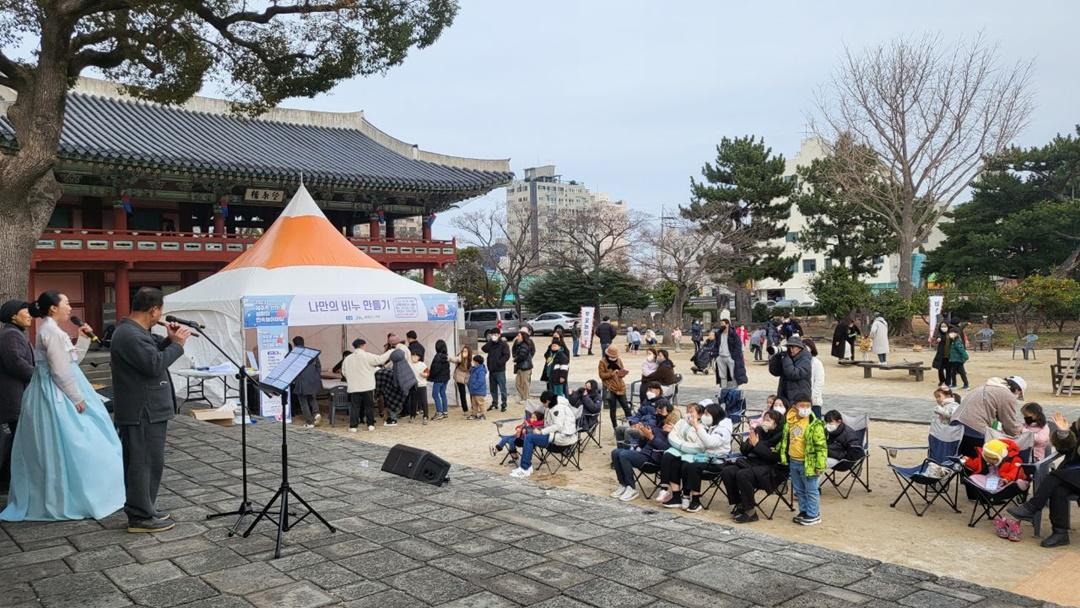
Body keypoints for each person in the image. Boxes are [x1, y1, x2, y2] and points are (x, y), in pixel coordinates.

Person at [0, 291, 125, 523]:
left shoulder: (50, 330)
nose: (70, 307)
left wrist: (84, 338)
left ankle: (63, 494)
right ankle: (80, 495)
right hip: (56, 392)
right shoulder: (52, 332)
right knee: (83, 440)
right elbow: (60, 371)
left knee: (59, 445)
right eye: (66, 303)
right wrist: (76, 398)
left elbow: (69, 361)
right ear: (53, 308)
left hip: (51, 389)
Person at [110, 287, 190, 531]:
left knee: (149, 461)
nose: (160, 316)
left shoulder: (134, 332)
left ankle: (146, 508)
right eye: (160, 311)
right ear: (154, 310)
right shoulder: (130, 334)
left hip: (146, 407)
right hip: (142, 409)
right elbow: (154, 364)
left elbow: (150, 356)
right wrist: (177, 345)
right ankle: (140, 515)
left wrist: (167, 340)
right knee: (142, 463)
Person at [1007, 411, 1080, 548]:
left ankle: (1032, 507)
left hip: (1072, 475)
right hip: (1072, 474)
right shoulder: (1078, 426)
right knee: (1059, 490)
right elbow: (1066, 450)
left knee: (1054, 476)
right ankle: (1060, 533)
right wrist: (1064, 434)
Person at [722, 409, 787, 523]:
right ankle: (740, 504)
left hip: (771, 469)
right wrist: (750, 444)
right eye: (764, 419)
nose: (765, 422)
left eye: (768, 420)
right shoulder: (759, 431)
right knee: (728, 471)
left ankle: (750, 512)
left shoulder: (782, 437)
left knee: (743, 475)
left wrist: (757, 445)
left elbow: (774, 458)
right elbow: (744, 451)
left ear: (776, 423)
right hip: (753, 464)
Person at [671, 400, 733, 512]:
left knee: (693, 466)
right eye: (704, 414)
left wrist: (697, 427)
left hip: (717, 461)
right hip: (705, 457)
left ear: (715, 415)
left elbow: (711, 443)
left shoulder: (723, 429)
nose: (704, 417)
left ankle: (696, 500)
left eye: (707, 414)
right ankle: (685, 496)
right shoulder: (711, 425)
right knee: (684, 462)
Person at [609, 398, 673, 502]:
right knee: (615, 452)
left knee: (624, 455)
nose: (658, 412)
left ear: (668, 412)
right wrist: (643, 435)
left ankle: (631, 488)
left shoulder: (670, 428)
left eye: (661, 410)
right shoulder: (655, 424)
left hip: (654, 458)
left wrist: (651, 437)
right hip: (644, 453)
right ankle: (623, 484)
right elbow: (642, 444)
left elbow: (666, 448)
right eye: (657, 410)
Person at [0, 299, 34, 493]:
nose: (29, 315)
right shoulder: (10, 335)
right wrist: (39, 376)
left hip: (17, 394)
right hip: (14, 396)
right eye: (25, 312)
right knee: (16, 439)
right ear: (13, 316)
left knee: (16, 438)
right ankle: (8, 480)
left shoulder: (14, 333)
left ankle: (8, 479)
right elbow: (16, 363)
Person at [952, 376, 1025, 459]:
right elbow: (1009, 422)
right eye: (1019, 395)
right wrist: (1021, 433)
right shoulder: (1007, 395)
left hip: (955, 424)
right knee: (979, 459)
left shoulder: (987, 386)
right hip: (975, 428)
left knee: (962, 458)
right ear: (1017, 390)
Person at [780, 398, 827, 526]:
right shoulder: (790, 421)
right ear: (795, 406)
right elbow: (786, 439)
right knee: (799, 490)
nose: (805, 408)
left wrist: (820, 465)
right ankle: (804, 511)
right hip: (793, 460)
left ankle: (813, 514)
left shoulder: (815, 424)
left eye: (808, 406)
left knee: (811, 489)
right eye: (802, 405)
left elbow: (821, 447)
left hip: (808, 462)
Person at [510, 391, 578, 478]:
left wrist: (542, 431)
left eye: (544, 403)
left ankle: (525, 468)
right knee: (530, 436)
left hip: (562, 439)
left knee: (530, 438)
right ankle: (526, 466)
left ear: (548, 401)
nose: (543, 405)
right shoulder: (553, 405)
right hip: (556, 435)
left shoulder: (558, 408)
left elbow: (558, 426)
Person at [342, 338, 392, 432]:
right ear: (363, 345)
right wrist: (390, 351)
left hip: (354, 387)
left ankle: (353, 426)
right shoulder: (367, 356)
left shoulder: (347, 359)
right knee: (369, 406)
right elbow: (380, 360)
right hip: (367, 386)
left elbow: (344, 372)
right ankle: (370, 424)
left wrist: (352, 378)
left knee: (355, 407)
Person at [769, 336, 812, 408]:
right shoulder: (788, 358)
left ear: (800, 348)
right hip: (784, 395)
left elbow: (793, 374)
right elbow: (775, 372)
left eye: (793, 347)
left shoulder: (805, 359)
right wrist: (777, 357)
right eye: (789, 347)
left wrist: (786, 357)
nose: (791, 349)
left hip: (799, 398)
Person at [289, 336, 323, 428]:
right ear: (303, 342)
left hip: (301, 380)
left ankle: (309, 422)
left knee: (303, 401)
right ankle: (316, 413)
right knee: (312, 397)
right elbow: (319, 366)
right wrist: (316, 376)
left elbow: (291, 369)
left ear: (294, 344)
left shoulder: (294, 354)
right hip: (313, 379)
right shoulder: (312, 352)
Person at [598, 346, 631, 431]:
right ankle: (615, 427)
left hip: (620, 387)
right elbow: (601, 375)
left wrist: (622, 373)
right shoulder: (602, 362)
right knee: (613, 409)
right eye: (612, 357)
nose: (614, 358)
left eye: (615, 357)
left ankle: (632, 425)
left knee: (626, 408)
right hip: (611, 388)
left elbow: (622, 369)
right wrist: (612, 373)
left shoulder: (619, 360)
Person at [710, 317, 748, 390]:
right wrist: (716, 355)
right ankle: (723, 389)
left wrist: (733, 357)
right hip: (721, 357)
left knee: (732, 375)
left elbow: (738, 347)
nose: (721, 326)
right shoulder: (718, 334)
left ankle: (733, 390)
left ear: (727, 325)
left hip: (730, 357)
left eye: (723, 324)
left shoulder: (733, 335)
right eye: (720, 324)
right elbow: (716, 345)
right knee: (722, 375)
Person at [481, 330, 510, 412]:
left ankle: (504, 404)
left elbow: (507, 355)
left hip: (500, 370)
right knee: (493, 388)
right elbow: (483, 349)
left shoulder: (503, 344)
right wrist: (490, 341)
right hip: (491, 370)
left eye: (495, 334)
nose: (494, 336)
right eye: (492, 334)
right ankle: (494, 403)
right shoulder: (491, 344)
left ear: (499, 335)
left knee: (502, 388)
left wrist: (499, 362)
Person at [428, 340, 451, 421]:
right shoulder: (446, 356)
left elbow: (435, 369)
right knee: (442, 393)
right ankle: (445, 412)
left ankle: (439, 412)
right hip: (445, 379)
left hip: (438, 379)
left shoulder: (438, 357)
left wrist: (429, 376)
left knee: (435, 395)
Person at [512, 328, 535, 405]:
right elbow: (514, 350)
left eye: (519, 335)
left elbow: (523, 355)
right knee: (518, 383)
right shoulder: (518, 343)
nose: (517, 336)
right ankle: (523, 396)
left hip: (525, 367)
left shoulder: (525, 344)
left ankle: (526, 398)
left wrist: (515, 359)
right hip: (520, 366)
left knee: (525, 383)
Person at [804, 338, 825, 418]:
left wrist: (812, 398)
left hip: (814, 402)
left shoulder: (816, 363)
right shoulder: (799, 362)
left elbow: (819, 382)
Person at [450, 345, 473, 414]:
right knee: (462, 394)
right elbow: (454, 359)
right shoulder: (460, 357)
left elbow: (471, 368)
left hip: (468, 377)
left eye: (466, 351)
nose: (464, 352)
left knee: (472, 392)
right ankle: (465, 410)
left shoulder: (471, 359)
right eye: (463, 351)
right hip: (459, 377)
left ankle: (474, 406)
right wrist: (460, 356)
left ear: (469, 352)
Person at [408, 352, 430, 423]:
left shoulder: (422, 364)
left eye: (415, 355)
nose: (414, 357)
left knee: (424, 401)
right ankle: (412, 416)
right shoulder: (409, 365)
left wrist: (424, 374)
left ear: (419, 357)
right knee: (413, 402)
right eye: (412, 355)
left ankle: (425, 416)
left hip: (422, 385)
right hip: (413, 385)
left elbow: (428, 373)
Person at [467, 355, 488, 420]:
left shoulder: (481, 370)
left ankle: (483, 414)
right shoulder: (474, 369)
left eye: (474, 361)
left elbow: (481, 381)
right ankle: (474, 414)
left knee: (481, 403)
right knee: (474, 404)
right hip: (474, 391)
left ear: (477, 362)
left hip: (479, 390)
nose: (473, 362)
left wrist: (474, 386)